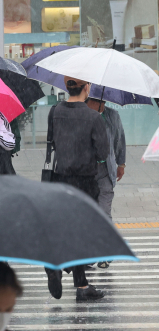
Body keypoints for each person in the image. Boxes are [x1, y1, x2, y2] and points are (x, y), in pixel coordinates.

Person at [45, 77, 110, 301]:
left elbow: (53, 142)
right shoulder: (94, 117)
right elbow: (103, 154)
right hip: (84, 182)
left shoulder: (54, 112)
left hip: (61, 179)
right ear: (87, 88)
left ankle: (81, 285)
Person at [86, 97, 126, 269]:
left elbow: (119, 140)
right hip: (85, 173)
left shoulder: (112, 116)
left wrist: (121, 163)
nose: (99, 105)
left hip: (105, 172)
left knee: (103, 212)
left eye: (100, 102)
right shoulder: (82, 116)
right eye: (95, 102)